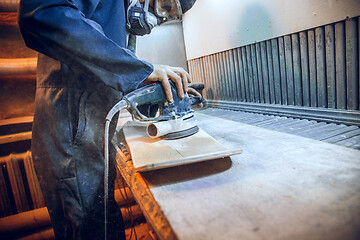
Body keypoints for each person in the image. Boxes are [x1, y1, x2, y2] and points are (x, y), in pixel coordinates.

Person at [18, 0, 197, 239]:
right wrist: (138, 70)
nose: (156, 16)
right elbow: (43, 13)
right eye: (163, 5)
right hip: (72, 138)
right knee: (89, 230)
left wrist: (160, 94)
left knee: (105, 226)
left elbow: (104, 72)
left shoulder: (117, 10)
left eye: (169, 14)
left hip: (89, 139)